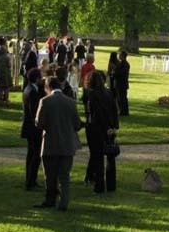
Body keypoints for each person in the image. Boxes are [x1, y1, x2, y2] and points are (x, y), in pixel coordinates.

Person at [34, 76, 82, 211]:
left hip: (50, 143)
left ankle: (50, 200)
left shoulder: (44, 101)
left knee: (50, 175)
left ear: (47, 87)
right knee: (64, 175)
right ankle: (64, 203)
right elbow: (77, 124)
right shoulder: (71, 102)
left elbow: (39, 123)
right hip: (67, 144)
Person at [83, 70, 119, 193]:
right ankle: (111, 185)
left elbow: (96, 113)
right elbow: (114, 111)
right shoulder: (109, 93)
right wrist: (113, 126)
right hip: (109, 128)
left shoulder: (91, 94)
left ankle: (99, 185)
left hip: (96, 128)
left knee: (97, 157)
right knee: (110, 156)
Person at [21, 68, 45, 190]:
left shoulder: (29, 89)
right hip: (34, 129)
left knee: (31, 154)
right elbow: (34, 112)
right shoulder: (32, 92)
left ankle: (30, 179)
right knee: (36, 155)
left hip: (29, 128)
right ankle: (31, 181)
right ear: (37, 79)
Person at [0, 39, 12, 106]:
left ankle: (0, 100)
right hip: (6, 74)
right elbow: (9, 65)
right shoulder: (7, 58)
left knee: (0, 87)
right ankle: (6, 100)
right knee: (6, 87)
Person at [113, 50, 130, 116]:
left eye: (120, 55)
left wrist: (114, 73)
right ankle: (123, 111)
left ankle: (123, 111)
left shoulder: (124, 64)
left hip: (121, 83)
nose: (119, 56)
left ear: (123, 56)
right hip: (121, 83)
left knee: (122, 98)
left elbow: (121, 73)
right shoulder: (123, 63)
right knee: (122, 98)